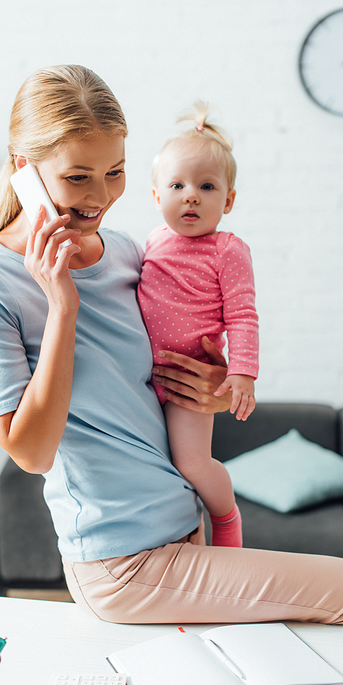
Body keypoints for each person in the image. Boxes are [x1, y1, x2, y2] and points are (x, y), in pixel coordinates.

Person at [0, 65, 343, 627]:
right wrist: (62, 306)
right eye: (77, 178)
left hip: (186, 522)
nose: (100, 198)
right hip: (121, 559)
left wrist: (215, 385)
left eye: (115, 173)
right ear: (23, 171)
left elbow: (168, 377)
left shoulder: (129, 251)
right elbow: (31, 453)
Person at [138, 103, 258, 548]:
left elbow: (242, 314)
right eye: (177, 185)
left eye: (206, 187)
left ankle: (225, 517)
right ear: (156, 197)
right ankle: (188, 539)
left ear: (227, 201)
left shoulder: (227, 249)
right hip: (143, 378)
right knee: (163, 471)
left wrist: (242, 372)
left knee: (191, 462)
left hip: (190, 379)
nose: (191, 195)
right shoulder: (150, 240)